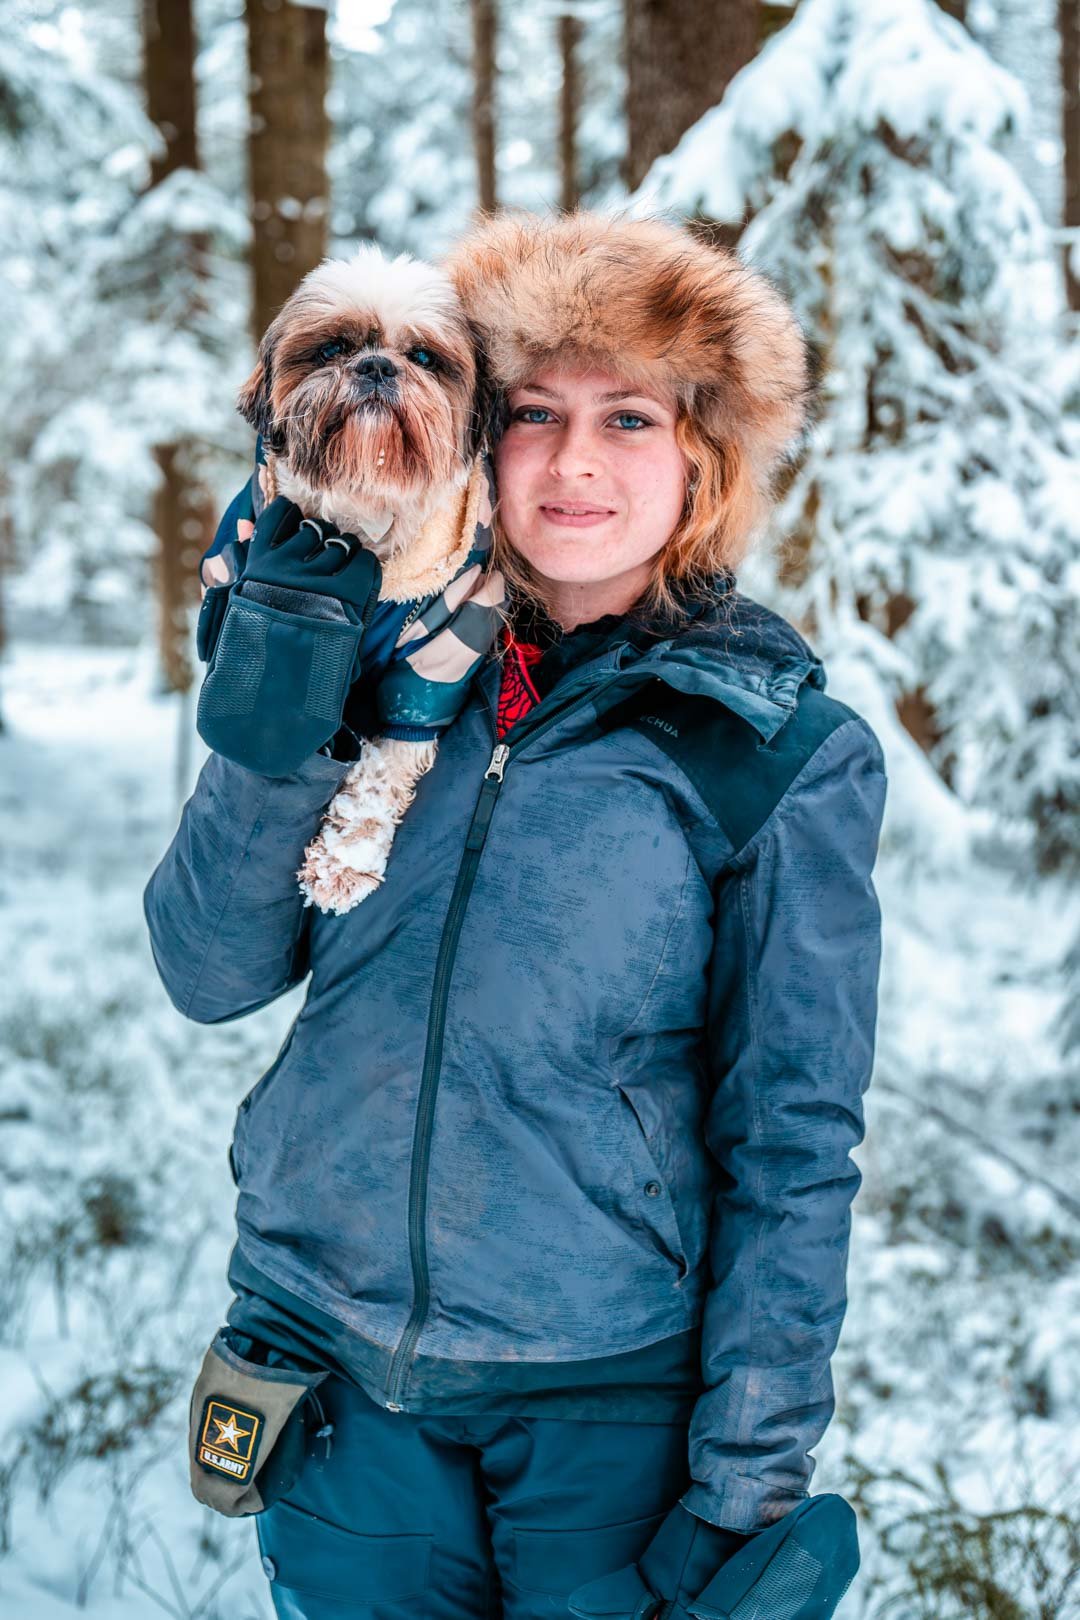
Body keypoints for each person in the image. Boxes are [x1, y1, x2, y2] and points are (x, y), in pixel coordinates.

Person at [144, 210, 887, 1620]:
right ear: (479, 429)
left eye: (631, 419)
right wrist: (284, 695)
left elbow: (794, 1136)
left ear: (705, 457)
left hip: (604, 1412)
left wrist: (747, 1479)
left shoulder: (773, 745)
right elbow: (207, 969)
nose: (576, 462)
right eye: (534, 411)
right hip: (328, 1372)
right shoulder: (380, 664)